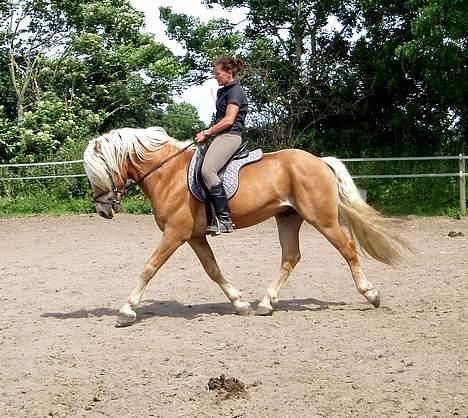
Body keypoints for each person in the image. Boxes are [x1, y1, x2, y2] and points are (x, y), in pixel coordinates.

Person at [195, 56, 248, 235]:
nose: (216, 77)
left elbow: (228, 120)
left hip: (230, 136)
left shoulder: (236, 91)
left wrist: (207, 132)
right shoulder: (224, 91)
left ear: (229, 73)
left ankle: (224, 219)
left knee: (207, 170)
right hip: (221, 137)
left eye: (217, 74)